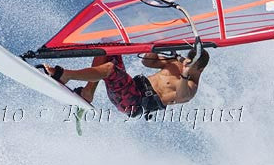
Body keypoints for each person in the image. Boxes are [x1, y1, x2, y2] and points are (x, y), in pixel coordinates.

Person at [41, 48, 209, 119]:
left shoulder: (191, 88)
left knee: (110, 69)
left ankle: (66, 75)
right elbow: (147, 62)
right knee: (110, 49)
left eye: (191, 65)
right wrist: (156, 46)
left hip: (134, 102)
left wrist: (185, 75)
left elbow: (181, 95)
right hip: (132, 86)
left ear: (199, 70)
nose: (185, 66)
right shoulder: (177, 63)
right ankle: (87, 92)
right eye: (187, 61)